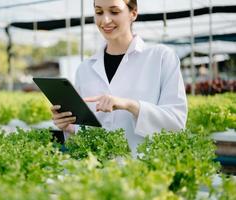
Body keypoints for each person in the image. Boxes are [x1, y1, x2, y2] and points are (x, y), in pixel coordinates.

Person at [51, 0, 188, 155]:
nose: (105, 20)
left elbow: (176, 122)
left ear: (133, 13)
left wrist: (130, 105)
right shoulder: (85, 69)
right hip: (98, 173)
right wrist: (71, 128)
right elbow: (89, 131)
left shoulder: (161, 57)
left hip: (144, 170)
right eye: (99, 12)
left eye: (114, 12)